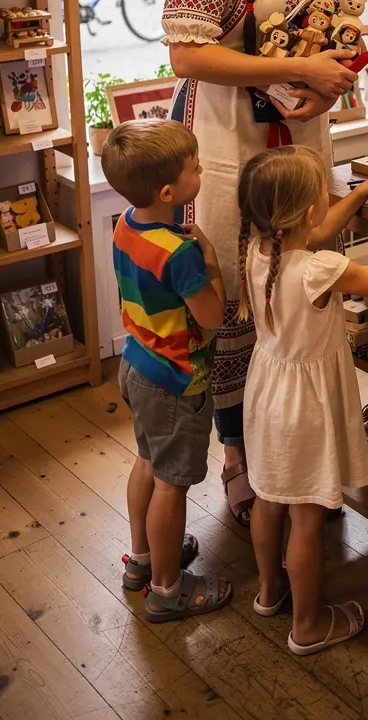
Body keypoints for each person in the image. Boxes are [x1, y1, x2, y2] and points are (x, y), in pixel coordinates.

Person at [163, 0, 357, 527]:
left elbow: (339, 37)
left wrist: (328, 84)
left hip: (300, 143)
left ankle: (304, 453)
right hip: (227, 147)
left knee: (300, 299)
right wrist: (296, 73)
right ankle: (242, 458)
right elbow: (187, 52)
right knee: (238, 307)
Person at [238, 145, 368, 654]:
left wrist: (361, 192)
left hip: (266, 393)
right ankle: (306, 626)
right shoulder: (320, 269)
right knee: (306, 517)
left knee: (268, 498)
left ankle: (268, 592)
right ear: (306, 213)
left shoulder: (260, 249)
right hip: (304, 405)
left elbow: (316, 233)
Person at [101, 119, 232, 622]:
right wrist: (214, 264)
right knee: (172, 485)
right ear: (167, 190)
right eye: (195, 167)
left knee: (147, 463)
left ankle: (143, 559)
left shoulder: (125, 223)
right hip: (177, 382)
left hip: (137, 365)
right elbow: (212, 318)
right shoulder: (181, 254)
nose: (201, 170)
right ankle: (168, 589)